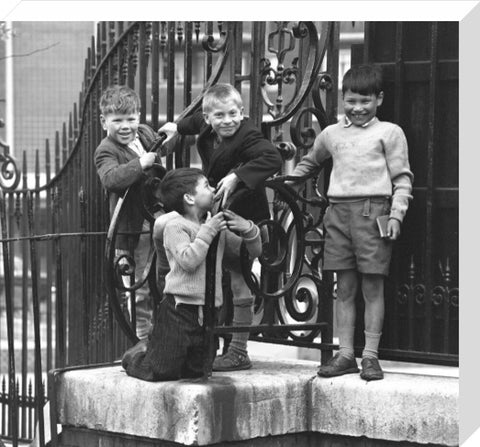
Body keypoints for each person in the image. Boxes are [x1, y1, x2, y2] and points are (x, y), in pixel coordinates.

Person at [289, 64, 413, 381]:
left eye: (365, 101)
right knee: (343, 288)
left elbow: (402, 180)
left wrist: (396, 214)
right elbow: (309, 163)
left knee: (373, 285)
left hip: (376, 214)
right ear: (343, 99)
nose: (358, 108)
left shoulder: (389, 133)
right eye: (351, 101)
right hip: (337, 214)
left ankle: (370, 356)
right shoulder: (331, 135)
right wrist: (286, 182)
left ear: (379, 99)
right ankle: (345, 355)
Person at [159, 83, 282, 371]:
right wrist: (176, 127)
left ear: (242, 112)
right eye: (220, 116)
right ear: (208, 118)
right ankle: (195, 333)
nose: (227, 121)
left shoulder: (248, 135)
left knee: (240, 279)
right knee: (213, 276)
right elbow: (190, 123)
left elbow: (273, 157)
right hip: (219, 214)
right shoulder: (206, 124)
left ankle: (239, 351)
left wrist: (239, 175)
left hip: (246, 218)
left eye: (233, 114)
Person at [121, 167, 262, 381]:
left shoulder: (214, 228)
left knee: (197, 370)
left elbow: (251, 253)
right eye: (206, 186)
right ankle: (136, 356)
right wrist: (209, 230)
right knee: (161, 370)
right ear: (189, 198)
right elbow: (188, 260)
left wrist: (248, 228)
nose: (214, 189)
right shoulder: (176, 227)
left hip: (208, 313)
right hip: (179, 310)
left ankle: (156, 347)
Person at [94, 85, 161, 340]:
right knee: (138, 289)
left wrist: (174, 132)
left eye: (131, 119)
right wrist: (140, 165)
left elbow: (161, 148)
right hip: (131, 230)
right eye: (117, 120)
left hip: (155, 221)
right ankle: (141, 342)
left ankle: (161, 338)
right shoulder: (106, 150)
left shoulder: (143, 135)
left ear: (139, 117)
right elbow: (111, 178)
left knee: (160, 281)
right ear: (104, 122)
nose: (125, 126)